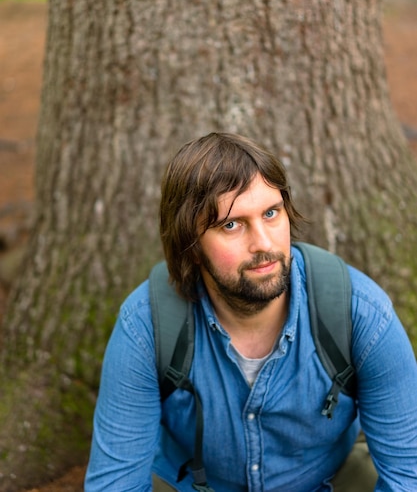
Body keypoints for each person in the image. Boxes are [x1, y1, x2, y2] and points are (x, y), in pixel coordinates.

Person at [85, 132, 417, 492]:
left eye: (271, 213)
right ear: (191, 246)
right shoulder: (145, 327)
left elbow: (408, 473)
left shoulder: (360, 313)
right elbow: (114, 484)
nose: (263, 243)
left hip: (328, 479)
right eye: (231, 224)